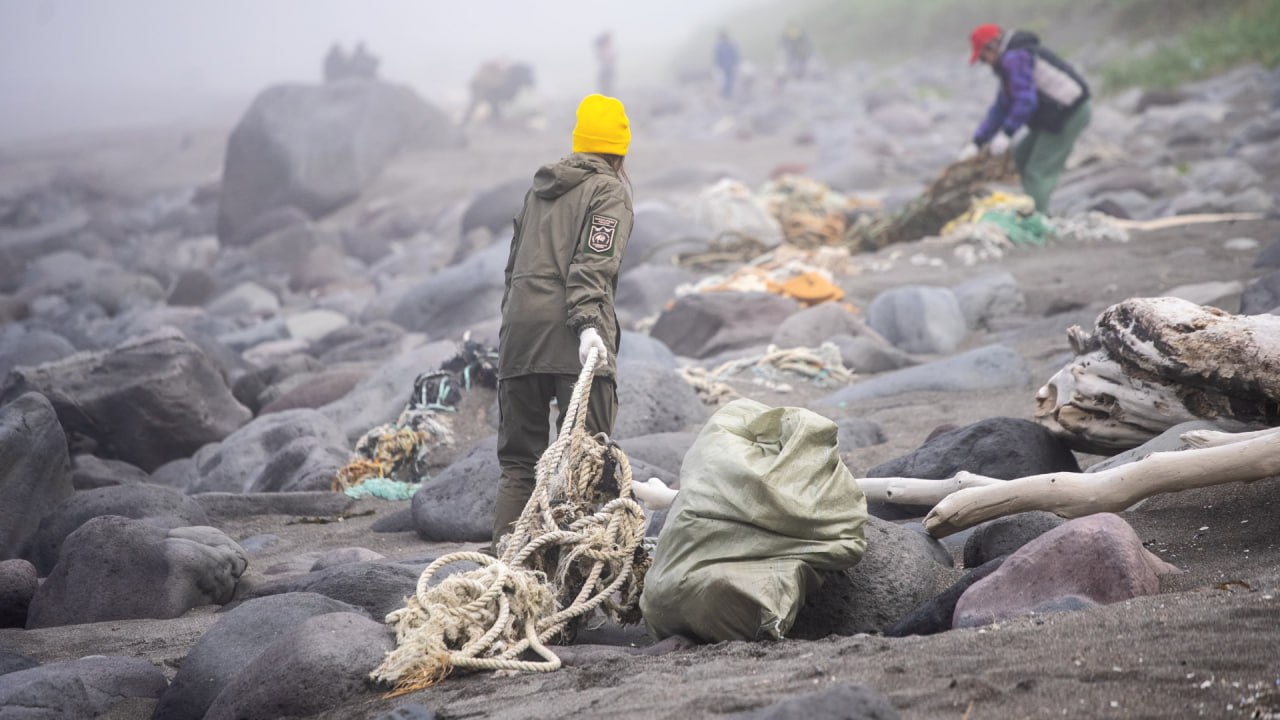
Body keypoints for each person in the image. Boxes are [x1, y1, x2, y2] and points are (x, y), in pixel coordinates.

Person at [492, 94, 634, 549]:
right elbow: (593, 264)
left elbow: (513, 270)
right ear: (619, 149)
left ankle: (507, 571)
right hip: (574, 339)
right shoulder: (608, 190)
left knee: (519, 464)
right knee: (584, 461)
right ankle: (570, 578)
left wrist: (512, 330)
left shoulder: (539, 190)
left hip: (519, 337)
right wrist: (589, 325)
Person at [957, 24, 1092, 214]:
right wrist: (977, 142)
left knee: (1038, 170)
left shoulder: (1014, 58)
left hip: (1070, 112)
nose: (983, 62)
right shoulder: (1008, 60)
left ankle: (1038, 221)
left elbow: (1025, 101)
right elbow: (1001, 107)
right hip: (1053, 114)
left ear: (992, 47)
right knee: (1022, 155)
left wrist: (1007, 133)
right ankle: (1036, 209)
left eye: (982, 56)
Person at [713, 31, 741, 100]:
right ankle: (726, 93)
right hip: (726, 66)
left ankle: (726, 93)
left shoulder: (721, 46)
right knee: (728, 79)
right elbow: (735, 55)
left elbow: (735, 55)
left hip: (728, 66)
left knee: (728, 79)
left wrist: (736, 63)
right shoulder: (728, 45)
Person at [595, 32, 616, 96]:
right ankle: (605, 96)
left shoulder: (604, 46)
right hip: (606, 69)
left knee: (607, 86)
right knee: (605, 86)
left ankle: (606, 95)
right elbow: (606, 57)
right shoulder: (603, 46)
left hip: (607, 69)